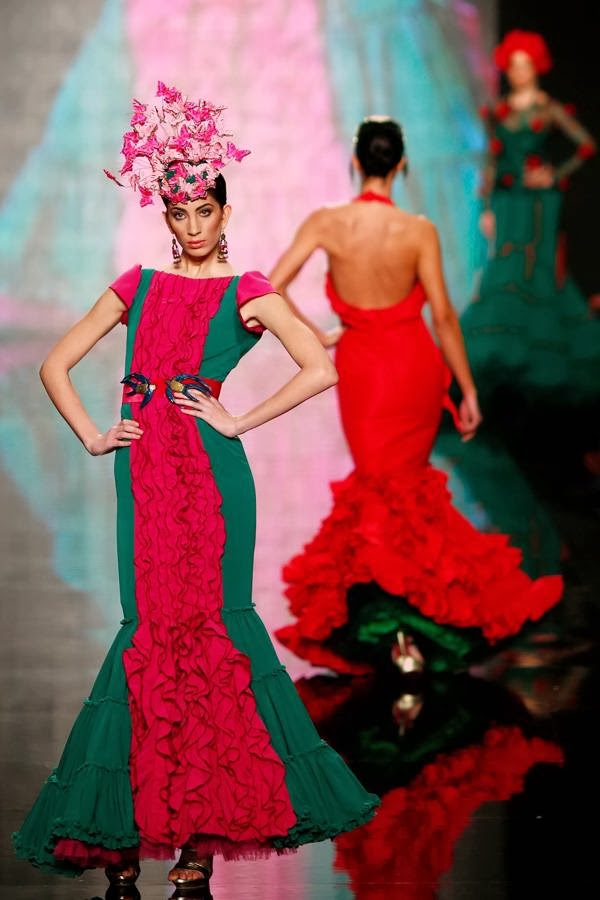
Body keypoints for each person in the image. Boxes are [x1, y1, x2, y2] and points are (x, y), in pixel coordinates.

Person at [12, 82, 379, 894]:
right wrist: (93, 433)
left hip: (212, 484)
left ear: (222, 207)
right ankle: (123, 844)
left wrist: (239, 420)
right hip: (144, 476)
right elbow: (52, 363)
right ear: (167, 215)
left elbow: (320, 367)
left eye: (201, 211)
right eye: (177, 213)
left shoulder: (247, 289)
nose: (189, 225)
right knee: (147, 638)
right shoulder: (135, 284)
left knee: (212, 643)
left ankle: (195, 852)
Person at [268, 116, 563, 678]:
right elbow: (445, 316)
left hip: (364, 369)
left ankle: (400, 634)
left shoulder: (327, 223)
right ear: (401, 165)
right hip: (412, 368)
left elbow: (269, 287)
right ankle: (414, 628)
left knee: (380, 493)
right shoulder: (419, 230)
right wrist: (467, 388)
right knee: (405, 496)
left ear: (357, 162)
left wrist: (317, 333)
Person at [460, 29, 599, 408]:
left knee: (538, 270)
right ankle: (508, 361)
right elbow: (492, 159)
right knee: (507, 269)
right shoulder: (500, 112)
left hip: (540, 201)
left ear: (536, 67)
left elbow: (587, 146)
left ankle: (543, 366)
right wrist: (487, 205)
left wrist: (556, 173)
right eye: (514, 66)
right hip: (508, 200)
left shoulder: (548, 108)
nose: (520, 72)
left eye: (525, 65)